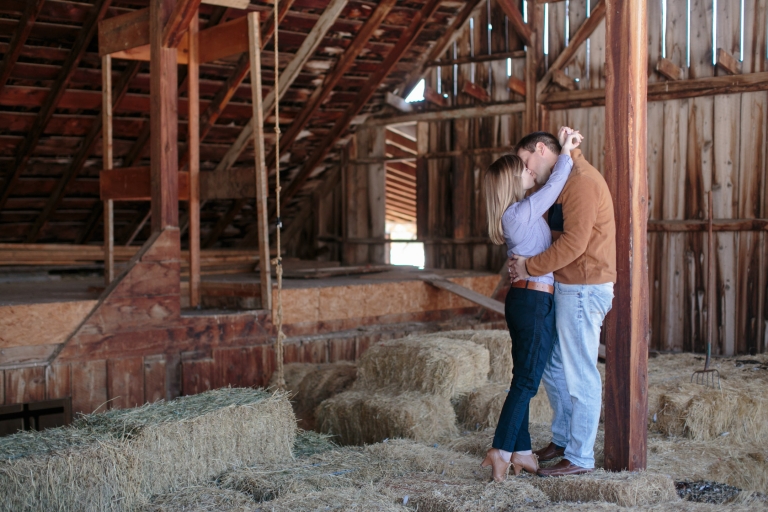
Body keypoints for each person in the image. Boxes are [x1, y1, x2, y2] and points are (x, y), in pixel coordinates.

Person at [508, 131, 616, 477]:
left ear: (541, 149)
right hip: (569, 285)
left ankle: (581, 457)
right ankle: (564, 440)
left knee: (579, 370)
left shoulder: (582, 183)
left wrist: (529, 267)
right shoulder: (565, 179)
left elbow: (574, 243)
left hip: (584, 285)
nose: (527, 169)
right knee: (554, 367)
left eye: (525, 160)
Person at [480, 126, 583, 482]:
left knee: (522, 377)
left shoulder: (515, 213)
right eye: (522, 170)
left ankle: (521, 451)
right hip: (533, 300)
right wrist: (566, 151)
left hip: (525, 299)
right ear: (511, 181)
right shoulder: (520, 213)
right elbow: (554, 187)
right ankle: (500, 450)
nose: (530, 172)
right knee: (526, 382)